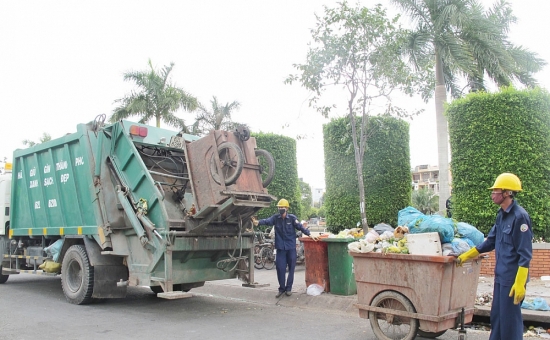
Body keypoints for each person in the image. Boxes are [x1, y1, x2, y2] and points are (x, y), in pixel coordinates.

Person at [457, 173, 532, 340]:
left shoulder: (520, 217)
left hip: (512, 280)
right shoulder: (501, 215)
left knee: (510, 322)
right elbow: (490, 241)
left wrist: (520, 283)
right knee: (497, 318)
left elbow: (525, 254)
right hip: (500, 277)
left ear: (507, 193)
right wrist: (466, 255)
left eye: (496, 190)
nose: (493, 194)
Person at [252, 199, 319, 298]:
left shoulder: (292, 218)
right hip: (280, 249)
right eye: (279, 207)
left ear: (287, 208)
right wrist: (258, 222)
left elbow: (301, 227)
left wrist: (310, 234)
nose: (280, 209)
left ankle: (288, 289)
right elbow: (267, 221)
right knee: (280, 268)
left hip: (291, 248)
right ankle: (281, 288)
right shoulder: (275, 218)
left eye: (282, 207)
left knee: (291, 269)